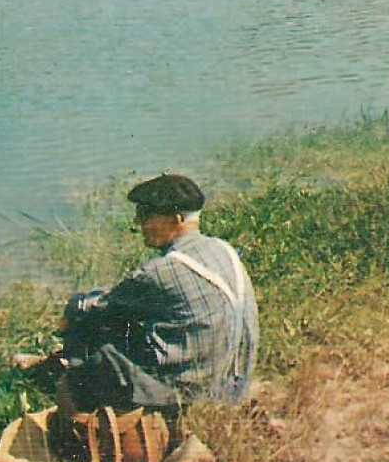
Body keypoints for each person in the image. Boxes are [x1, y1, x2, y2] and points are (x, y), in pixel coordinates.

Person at [40, 173, 259, 418]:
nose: (137, 223)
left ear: (176, 219)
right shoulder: (223, 249)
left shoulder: (161, 272)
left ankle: (71, 388)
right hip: (234, 385)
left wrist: (72, 311)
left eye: (145, 215)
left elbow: (98, 307)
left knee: (92, 330)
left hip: (192, 395)